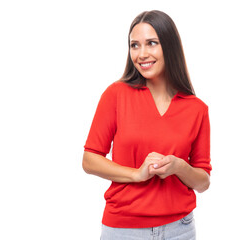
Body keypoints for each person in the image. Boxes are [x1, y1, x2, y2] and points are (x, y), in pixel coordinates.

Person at [82, 10, 211, 240]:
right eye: (134, 45)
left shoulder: (196, 108)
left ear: (169, 46)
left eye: (151, 43)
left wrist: (180, 167)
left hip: (180, 229)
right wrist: (137, 175)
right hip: (123, 229)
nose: (141, 54)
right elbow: (90, 160)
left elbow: (203, 182)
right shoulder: (116, 95)